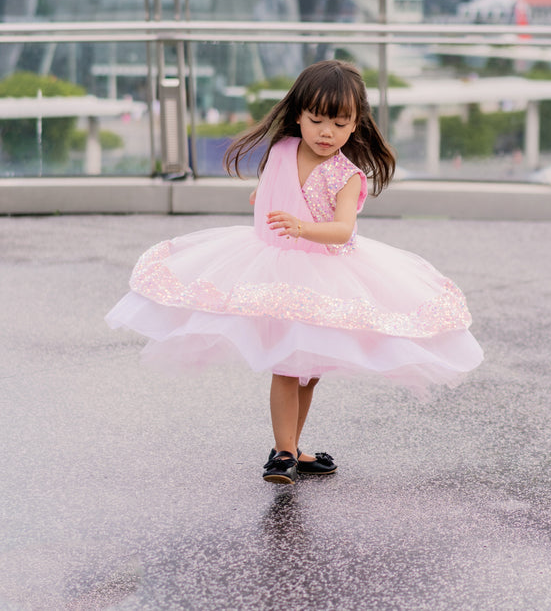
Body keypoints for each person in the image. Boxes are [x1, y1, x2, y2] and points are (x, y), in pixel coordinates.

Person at [106, 60, 483, 485]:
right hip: (273, 266)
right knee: (286, 364)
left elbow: (342, 230)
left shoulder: (347, 176)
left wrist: (303, 226)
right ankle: (282, 452)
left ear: (356, 124)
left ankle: (293, 447)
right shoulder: (283, 149)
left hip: (324, 274)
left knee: (309, 370)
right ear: (299, 115)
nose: (326, 132)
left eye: (340, 124)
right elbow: (272, 182)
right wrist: (263, 193)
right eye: (317, 120)